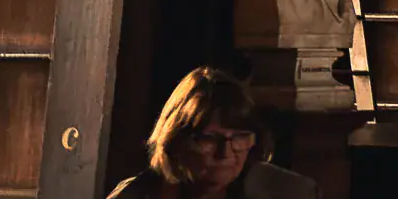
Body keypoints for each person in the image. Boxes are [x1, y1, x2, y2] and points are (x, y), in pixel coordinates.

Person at [107, 68, 317, 199]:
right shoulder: (134, 196)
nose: (225, 153)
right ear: (176, 140)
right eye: (208, 139)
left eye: (240, 137)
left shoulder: (291, 192)